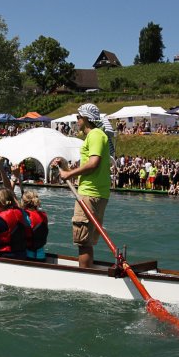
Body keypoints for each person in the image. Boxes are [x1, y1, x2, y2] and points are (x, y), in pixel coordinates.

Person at [53, 103, 111, 268]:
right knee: (87, 242)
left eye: (78, 117)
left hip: (89, 194)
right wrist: (65, 167)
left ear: (85, 118)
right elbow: (89, 168)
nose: (76, 121)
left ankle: (85, 275)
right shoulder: (96, 136)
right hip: (96, 193)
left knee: (83, 242)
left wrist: (69, 174)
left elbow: (93, 164)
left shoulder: (95, 135)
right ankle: (89, 272)